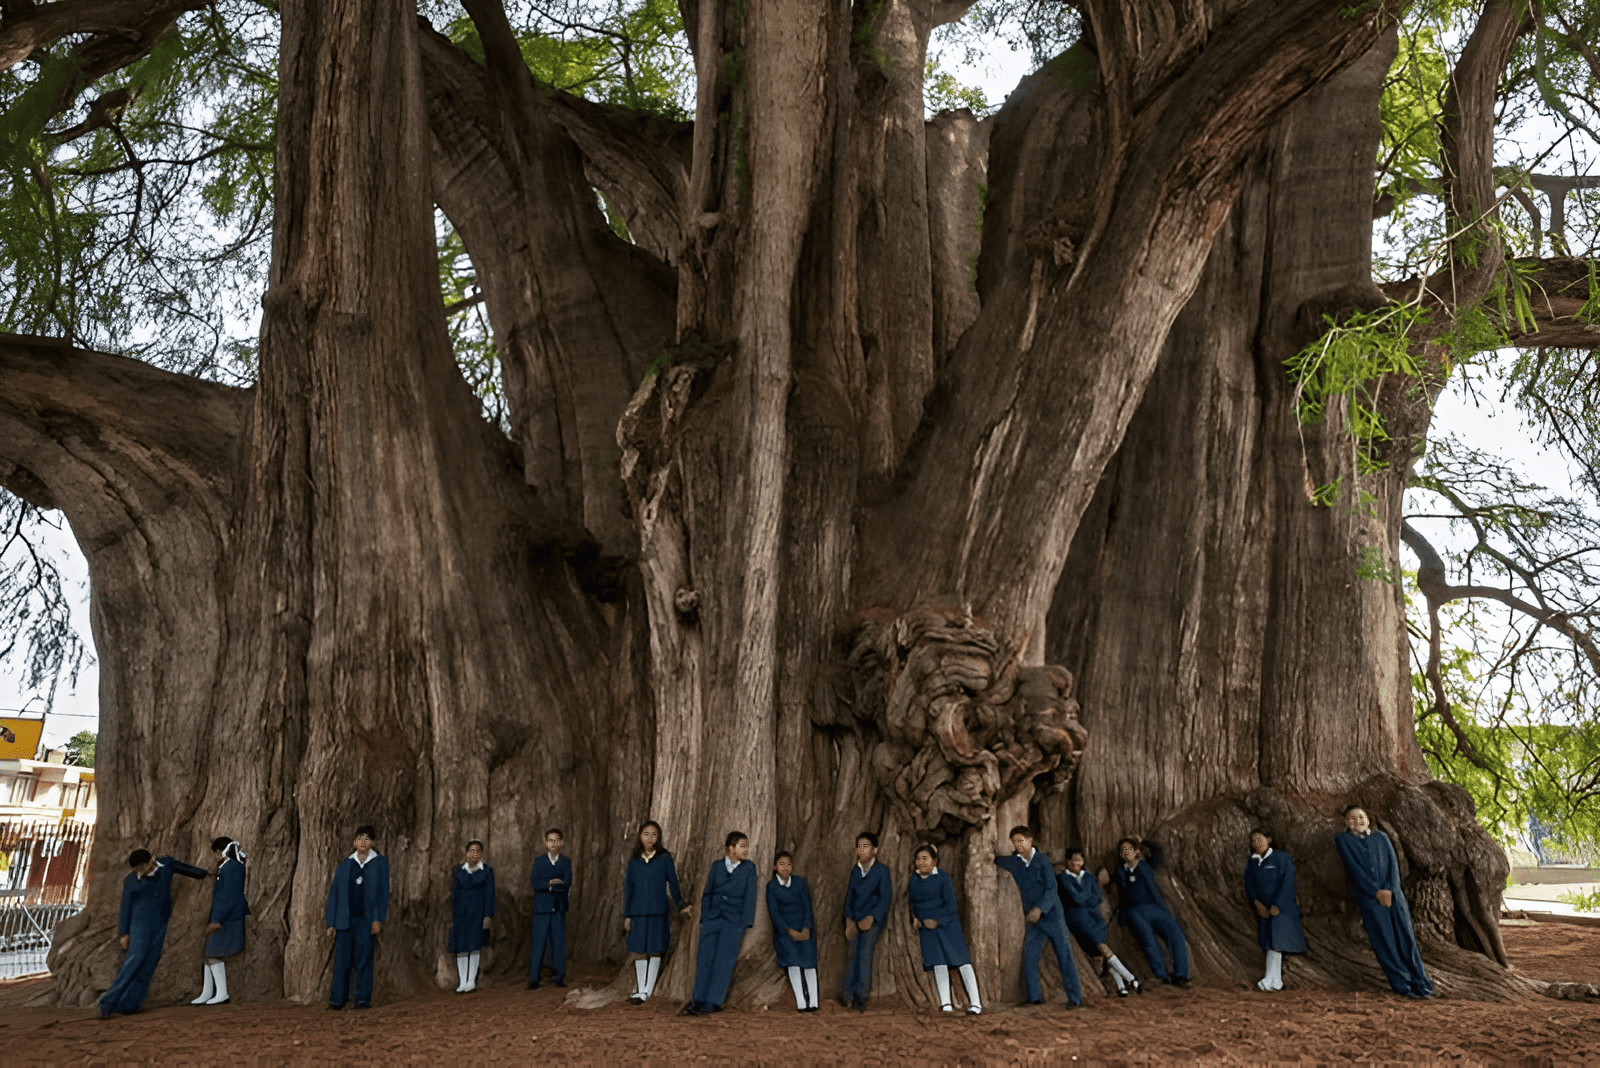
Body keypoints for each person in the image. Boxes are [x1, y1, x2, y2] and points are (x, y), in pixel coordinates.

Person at [1335, 805, 1434, 999]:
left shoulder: (1381, 837)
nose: (1358, 821)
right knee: (1385, 942)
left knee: (1407, 939)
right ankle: (1403, 986)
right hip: (1370, 899)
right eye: (1352, 818)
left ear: (1368, 819)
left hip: (1395, 895)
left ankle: (1421, 984)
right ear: (1346, 822)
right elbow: (1355, 870)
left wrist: (1390, 889)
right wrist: (1376, 892)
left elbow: (1393, 865)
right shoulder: (1344, 840)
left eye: (1361, 817)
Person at [99, 849, 208, 1018]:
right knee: (134, 961)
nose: (140, 871)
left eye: (142, 866)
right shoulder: (130, 880)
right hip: (139, 925)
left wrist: (206, 874)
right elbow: (125, 907)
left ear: (150, 861)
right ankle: (107, 1003)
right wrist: (123, 933)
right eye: (137, 868)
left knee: (150, 963)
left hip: (160, 922)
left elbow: (185, 868)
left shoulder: (166, 864)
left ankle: (130, 1004)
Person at [994, 826, 1083, 1008]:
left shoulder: (1042, 861)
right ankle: (1034, 996)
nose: (1018, 844)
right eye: (1014, 841)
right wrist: (990, 854)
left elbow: (1052, 888)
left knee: (1063, 953)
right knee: (1029, 954)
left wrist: (1040, 909)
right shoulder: (1014, 862)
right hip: (1033, 920)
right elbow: (996, 860)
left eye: (1021, 840)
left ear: (1030, 840)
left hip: (1051, 915)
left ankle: (1075, 997)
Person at [1103, 836, 1190, 987]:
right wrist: (1102, 873)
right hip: (1133, 911)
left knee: (1175, 933)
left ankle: (1180, 975)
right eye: (1123, 850)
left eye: (1129, 849)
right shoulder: (1119, 872)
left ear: (1136, 851)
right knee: (1147, 939)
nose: (1126, 852)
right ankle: (1161, 975)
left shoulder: (1146, 866)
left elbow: (1158, 853)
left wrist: (1144, 841)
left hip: (1154, 907)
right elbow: (1106, 880)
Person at [688, 830, 758, 1015]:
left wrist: (744, 923)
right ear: (730, 848)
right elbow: (708, 893)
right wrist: (705, 918)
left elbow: (751, 897)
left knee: (724, 962)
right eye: (742, 846)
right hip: (713, 919)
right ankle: (698, 999)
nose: (746, 850)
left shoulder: (749, 868)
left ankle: (712, 1001)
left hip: (733, 922)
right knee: (705, 959)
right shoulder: (717, 867)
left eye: (747, 847)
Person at [907, 843, 981, 1014]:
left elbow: (951, 905)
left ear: (934, 861)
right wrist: (917, 919)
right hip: (926, 928)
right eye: (918, 859)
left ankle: (976, 1003)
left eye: (925, 858)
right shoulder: (914, 879)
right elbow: (912, 903)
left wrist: (937, 920)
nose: (921, 862)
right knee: (937, 962)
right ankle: (946, 1003)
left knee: (962, 961)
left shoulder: (942, 878)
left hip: (948, 925)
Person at [622, 820, 691, 1004]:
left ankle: (647, 991)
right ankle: (639, 989)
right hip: (637, 912)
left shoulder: (664, 857)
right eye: (646, 834)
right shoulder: (634, 860)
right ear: (640, 836)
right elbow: (629, 889)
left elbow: (673, 883)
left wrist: (681, 905)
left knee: (654, 950)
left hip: (658, 911)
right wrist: (627, 915)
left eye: (654, 834)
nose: (650, 838)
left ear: (658, 836)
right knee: (639, 950)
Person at [1057, 846, 1139, 997]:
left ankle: (1121, 986)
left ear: (1083, 861)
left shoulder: (1088, 877)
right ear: (1068, 862)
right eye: (1073, 860)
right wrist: (1087, 898)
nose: (1076, 863)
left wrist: (1085, 898)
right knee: (1100, 944)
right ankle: (1130, 978)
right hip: (1075, 916)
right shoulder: (1064, 877)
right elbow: (1077, 898)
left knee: (1101, 948)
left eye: (1079, 859)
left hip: (1093, 915)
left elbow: (1098, 897)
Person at [324, 825, 389, 1010]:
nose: (363, 842)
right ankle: (338, 999)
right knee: (342, 960)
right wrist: (332, 922)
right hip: (345, 920)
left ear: (372, 842)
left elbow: (383, 893)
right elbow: (334, 894)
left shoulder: (379, 863)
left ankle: (362, 999)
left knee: (364, 959)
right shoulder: (345, 865)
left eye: (367, 839)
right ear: (354, 842)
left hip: (366, 920)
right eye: (359, 839)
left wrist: (378, 918)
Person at [1244, 828, 1306, 992]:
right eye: (1253, 841)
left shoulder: (1281, 858)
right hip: (1264, 910)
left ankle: (1271, 981)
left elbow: (1288, 882)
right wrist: (1258, 904)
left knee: (1277, 942)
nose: (1257, 843)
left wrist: (1278, 904)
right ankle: (1273, 981)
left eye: (1260, 839)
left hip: (1282, 908)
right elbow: (1249, 885)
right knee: (1268, 942)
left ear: (1269, 839)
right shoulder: (1252, 861)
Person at [191, 837, 248, 1006]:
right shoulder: (229, 867)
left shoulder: (231, 867)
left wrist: (216, 920)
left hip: (227, 918)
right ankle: (207, 992)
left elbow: (227, 897)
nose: (215, 856)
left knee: (212, 952)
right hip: (225, 916)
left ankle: (222, 993)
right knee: (208, 953)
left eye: (216, 852)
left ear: (221, 851)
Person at [839, 831, 890, 1012]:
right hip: (854, 919)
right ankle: (848, 994)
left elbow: (884, 898)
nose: (861, 850)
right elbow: (849, 897)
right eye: (859, 846)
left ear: (875, 850)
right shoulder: (855, 871)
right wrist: (849, 920)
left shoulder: (881, 871)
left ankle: (861, 997)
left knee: (864, 954)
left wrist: (872, 917)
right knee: (852, 955)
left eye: (866, 846)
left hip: (871, 921)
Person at [765, 851, 819, 1012]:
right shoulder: (772, 887)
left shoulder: (799, 883)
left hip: (804, 929)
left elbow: (807, 905)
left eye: (788, 864)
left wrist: (806, 927)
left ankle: (814, 1001)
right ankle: (801, 1002)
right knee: (793, 963)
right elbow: (774, 912)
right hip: (785, 932)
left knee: (810, 964)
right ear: (775, 867)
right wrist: (788, 930)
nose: (785, 868)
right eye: (782, 864)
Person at [450, 840, 496, 994]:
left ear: (481, 853)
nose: (474, 853)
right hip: (461, 914)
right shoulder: (458, 871)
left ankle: (471, 981)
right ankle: (462, 981)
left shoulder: (487, 872)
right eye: (472, 850)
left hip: (478, 913)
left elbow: (490, 894)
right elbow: (455, 894)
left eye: (478, 851)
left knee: (474, 946)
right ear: (466, 853)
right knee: (461, 947)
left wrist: (488, 915)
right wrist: (454, 914)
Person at [528, 828, 571, 989]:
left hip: (559, 908)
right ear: (546, 843)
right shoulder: (539, 861)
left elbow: (567, 883)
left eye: (557, 840)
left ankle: (559, 976)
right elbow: (534, 883)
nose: (554, 843)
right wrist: (549, 884)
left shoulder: (566, 862)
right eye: (551, 840)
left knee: (559, 942)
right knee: (538, 943)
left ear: (562, 842)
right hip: (542, 908)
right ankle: (534, 979)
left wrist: (553, 886)